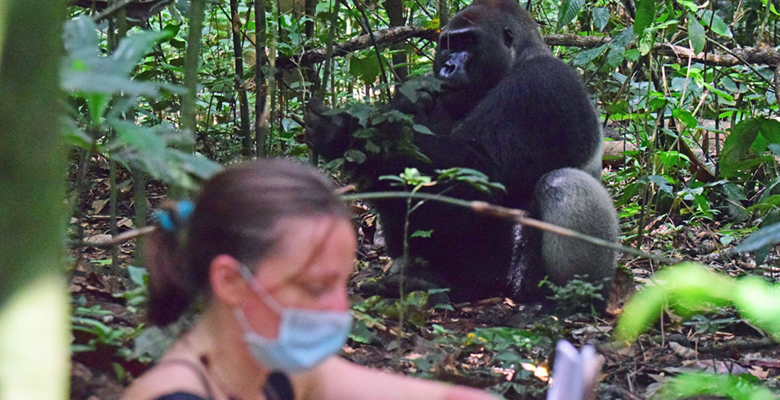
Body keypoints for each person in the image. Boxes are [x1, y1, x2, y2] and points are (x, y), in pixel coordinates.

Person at [122, 159, 498, 400]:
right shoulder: (175, 394)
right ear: (231, 281)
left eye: (342, 284)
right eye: (314, 287)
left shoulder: (273, 374)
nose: (340, 310)